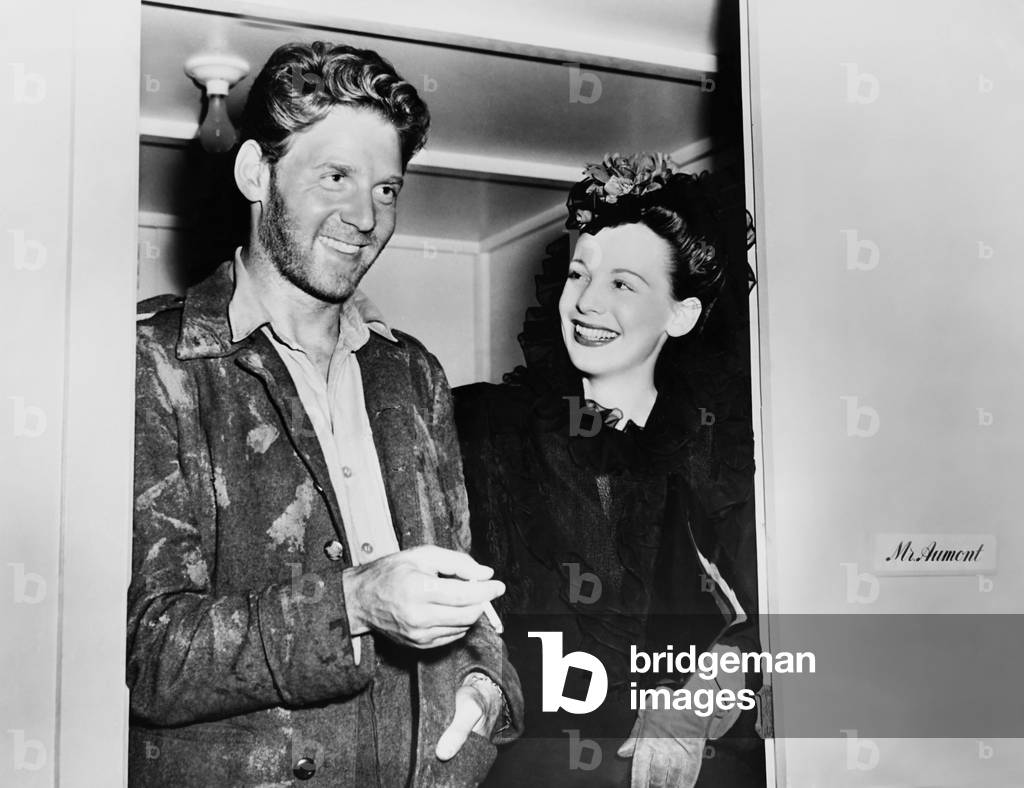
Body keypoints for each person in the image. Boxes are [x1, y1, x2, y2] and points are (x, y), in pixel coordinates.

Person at [128, 41, 522, 787]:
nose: (365, 215)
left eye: (385, 189)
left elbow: (468, 597)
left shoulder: (416, 374)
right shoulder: (154, 360)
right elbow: (149, 654)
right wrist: (357, 602)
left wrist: (484, 683)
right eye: (336, 176)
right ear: (256, 173)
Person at [455, 153, 763, 787]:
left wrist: (695, 702)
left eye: (623, 284)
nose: (586, 303)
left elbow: (770, 628)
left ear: (682, 314)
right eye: (578, 274)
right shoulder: (489, 427)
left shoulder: (722, 455)